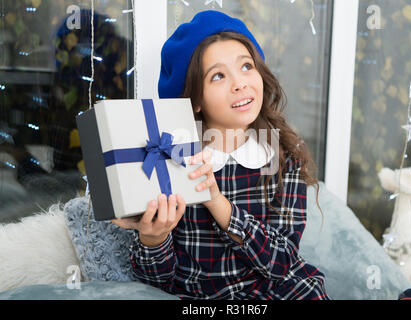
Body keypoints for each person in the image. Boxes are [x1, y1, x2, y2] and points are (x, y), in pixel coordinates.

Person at [112, 10, 330, 300]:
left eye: (246, 67)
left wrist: (216, 201)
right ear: (196, 99)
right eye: (218, 76)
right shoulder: (171, 160)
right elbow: (159, 283)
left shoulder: (285, 155)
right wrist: (154, 238)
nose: (239, 83)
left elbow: (282, 263)